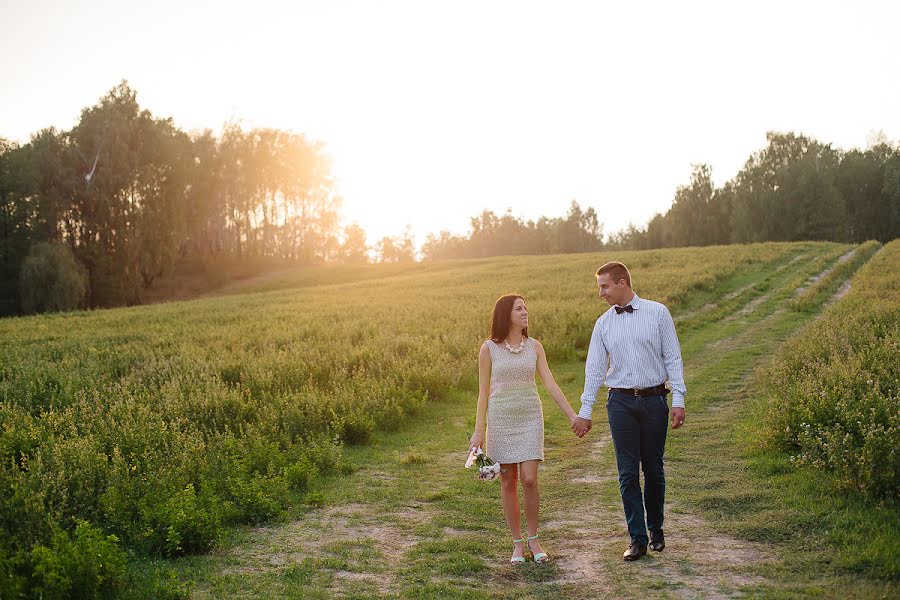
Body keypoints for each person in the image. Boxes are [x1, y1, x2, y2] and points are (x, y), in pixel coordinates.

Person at [572, 261, 686, 561]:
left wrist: (678, 400)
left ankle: (656, 528)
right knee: (627, 472)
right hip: (620, 403)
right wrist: (585, 410)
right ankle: (637, 538)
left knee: (653, 468)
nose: (601, 293)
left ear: (622, 283)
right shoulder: (603, 324)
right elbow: (595, 369)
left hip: (654, 401)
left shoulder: (658, 312)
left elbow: (672, 357)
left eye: (604, 286)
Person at [469, 294, 580, 564]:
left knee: (530, 479)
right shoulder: (489, 349)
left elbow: (551, 385)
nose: (525, 312)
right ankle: (517, 543)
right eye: (519, 308)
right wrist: (478, 430)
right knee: (508, 481)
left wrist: (572, 416)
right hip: (501, 418)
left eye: (525, 308)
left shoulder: (535, 347)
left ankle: (534, 538)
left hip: (530, 416)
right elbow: (483, 393)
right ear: (505, 314)